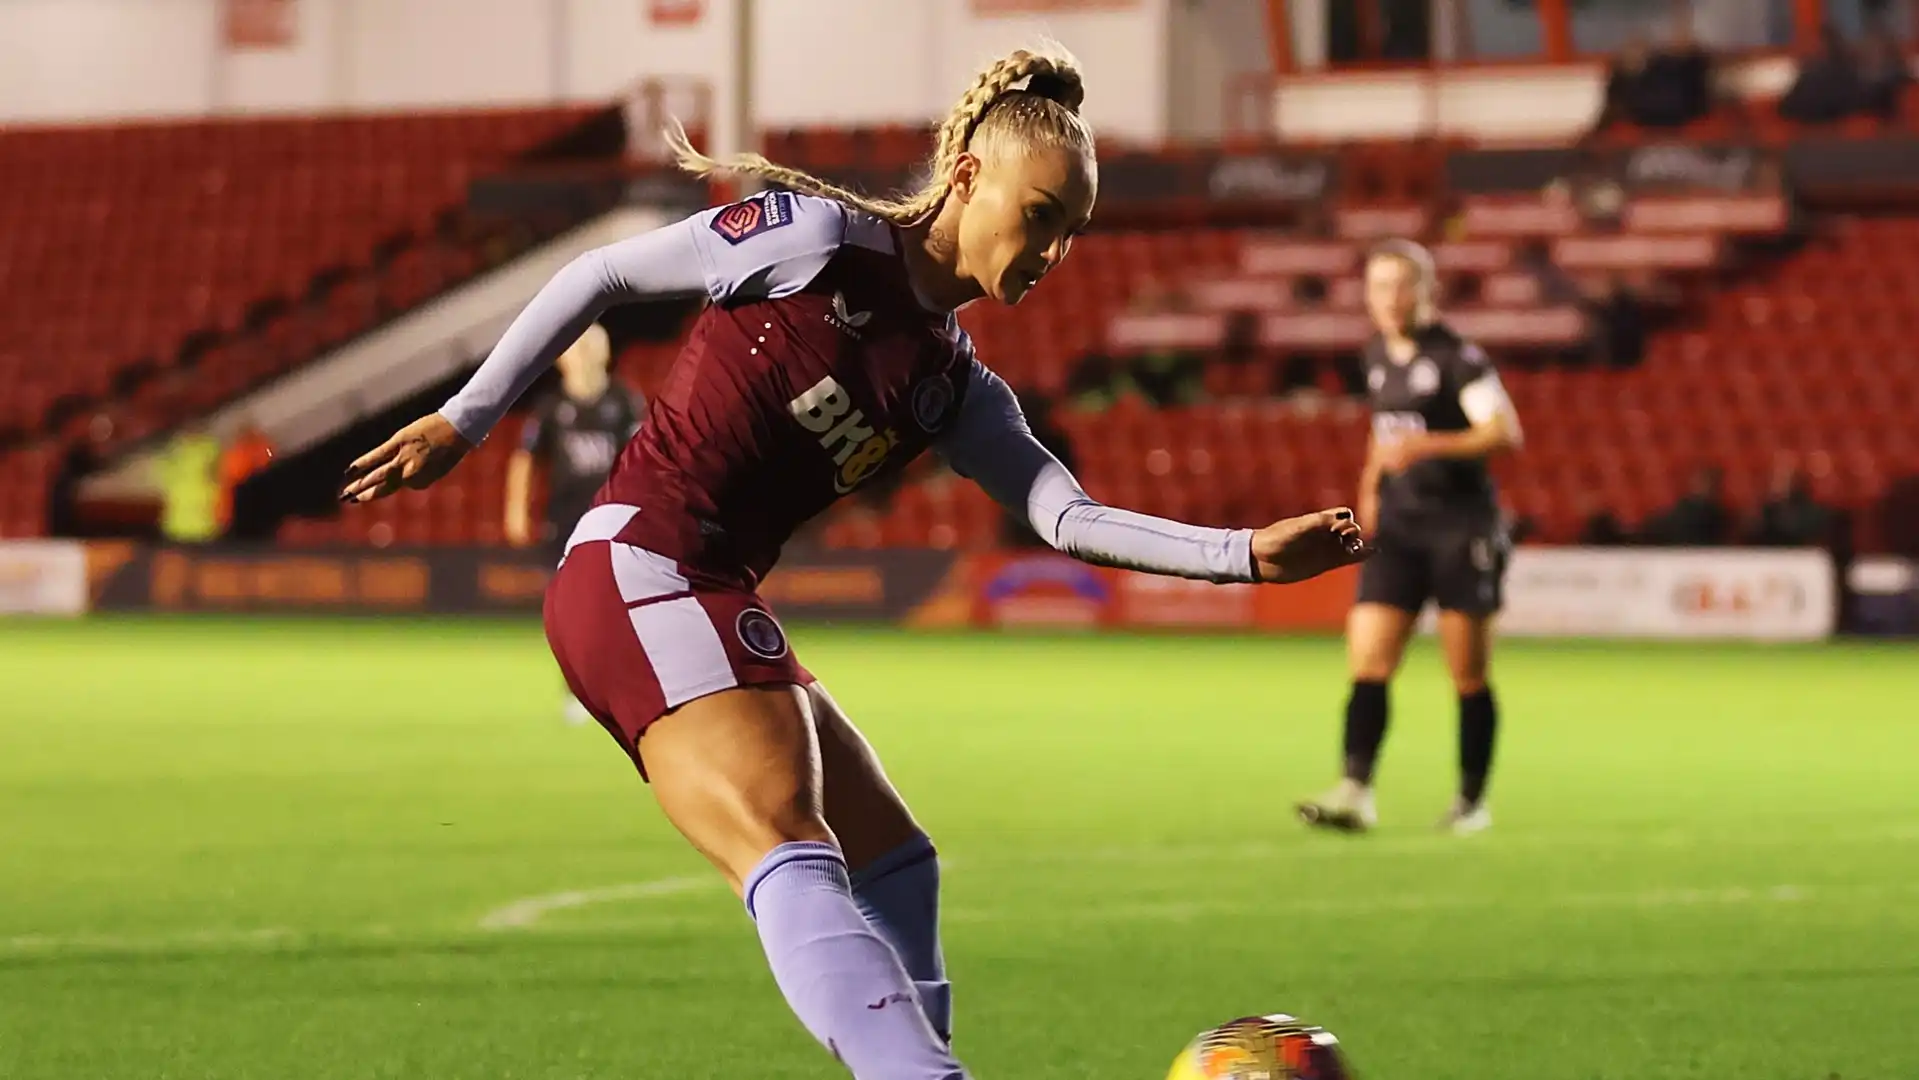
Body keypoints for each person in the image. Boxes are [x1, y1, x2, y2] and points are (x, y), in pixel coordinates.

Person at [339, 45, 1369, 1080]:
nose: (1053, 250)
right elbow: (603, 272)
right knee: (792, 834)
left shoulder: (956, 385)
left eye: (1072, 232)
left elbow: (1065, 516)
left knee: (895, 859)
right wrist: (465, 420)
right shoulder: (819, 239)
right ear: (968, 175)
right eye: (1041, 214)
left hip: (701, 590)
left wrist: (1242, 556)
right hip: (639, 570)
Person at [1295, 239, 1523, 837]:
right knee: (1368, 660)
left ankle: (1472, 801)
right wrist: (1369, 484)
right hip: (1399, 530)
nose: (1390, 299)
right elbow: (1383, 431)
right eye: (1378, 287)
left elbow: (1502, 432)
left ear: (1428, 291)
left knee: (1467, 674)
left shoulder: (1458, 359)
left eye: (1402, 286)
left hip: (1460, 528)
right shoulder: (1376, 354)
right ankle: (1355, 789)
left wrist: (1427, 445)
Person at [505, 322, 644, 723]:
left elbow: (641, 458)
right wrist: (516, 509)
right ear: (562, 360)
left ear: (604, 353)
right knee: (573, 613)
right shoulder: (550, 409)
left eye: (589, 346)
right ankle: (577, 689)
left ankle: (619, 686)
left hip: (613, 520)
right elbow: (525, 459)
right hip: (564, 523)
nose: (580, 354)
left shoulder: (624, 402)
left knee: (615, 607)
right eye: (574, 348)